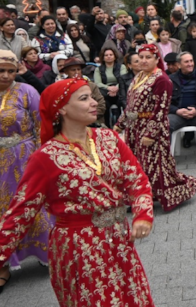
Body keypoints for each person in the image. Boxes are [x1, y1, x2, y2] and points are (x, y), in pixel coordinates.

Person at [0, 78, 155, 305]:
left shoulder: (108, 138)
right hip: (79, 249)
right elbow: (20, 213)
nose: (94, 103)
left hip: (119, 241)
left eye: (92, 97)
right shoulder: (45, 157)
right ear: (60, 108)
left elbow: (137, 179)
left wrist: (143, 215)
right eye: (84, 98)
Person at [115, 44, 196, 211]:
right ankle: (139, 196)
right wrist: (120, 125)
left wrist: (151, 133)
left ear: (156, 59)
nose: (143, 61)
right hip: (134, 129)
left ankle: (166, 193)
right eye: (141, 58)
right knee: (135, 164)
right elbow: (132, 107)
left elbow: (160, 110)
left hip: (152, 129)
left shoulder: (162, 80)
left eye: (148, 58)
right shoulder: (138, 77)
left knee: (154, 166)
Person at [0, 51, 52, 294]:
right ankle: (4, 262)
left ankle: (48, 252)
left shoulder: (26, 91)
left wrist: (41, 156)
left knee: (33, 203)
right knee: (4, 208)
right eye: (1, 71)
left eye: (11, 70)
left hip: (24, 157)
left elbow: (40, 124)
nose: (7, 75)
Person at [58, 58, 107, 124]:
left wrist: (88, 116)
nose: (77, 72)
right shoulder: (62, 88)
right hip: (71, 123)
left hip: (93, 122)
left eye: (79, 69)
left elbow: (101, 104)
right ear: (66, 72)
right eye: (73, 70)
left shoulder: (91, 85)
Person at [93, 47, 126, 124]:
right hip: (106, 90)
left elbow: (123, 79)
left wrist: (116, 88)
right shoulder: (98, 69)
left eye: (111, 54)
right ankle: (106, 123)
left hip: (119, 88)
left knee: (121, 98)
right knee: (104, 102)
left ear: (115, 56)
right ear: (103, 57)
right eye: (106, 55)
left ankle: (120, 122)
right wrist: (108, 88)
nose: (109, 56)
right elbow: (98, 83)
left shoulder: (122, 67)